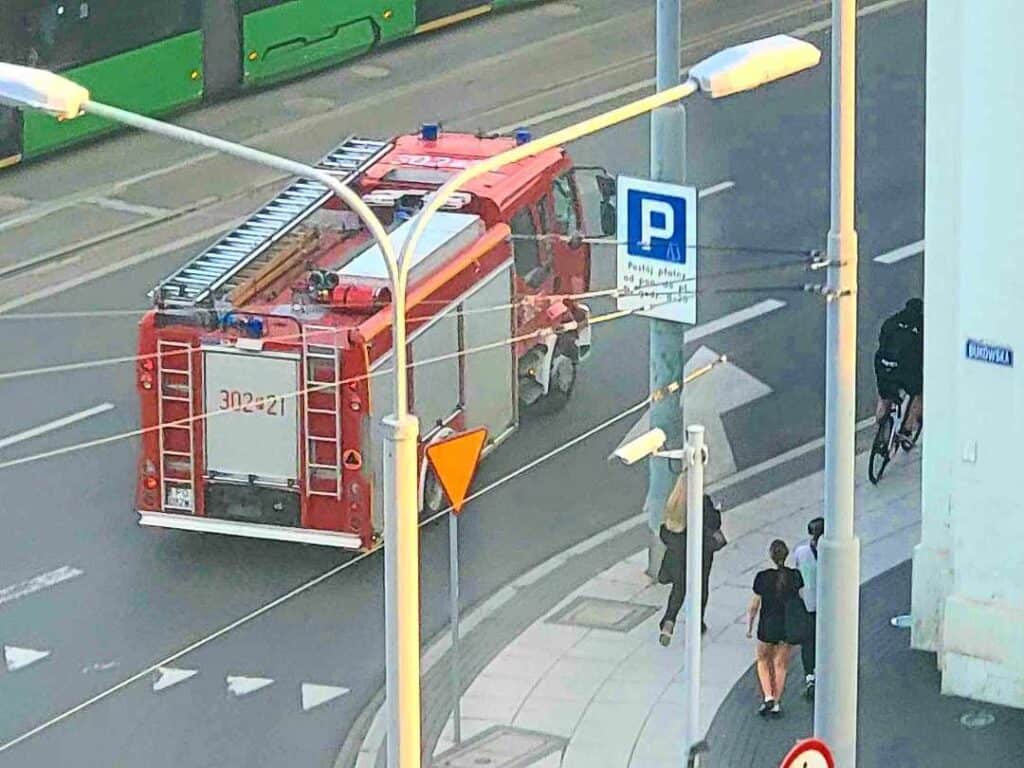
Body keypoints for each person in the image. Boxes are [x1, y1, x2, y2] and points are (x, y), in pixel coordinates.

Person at [657, 476, 724, 647]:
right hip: (699, 553)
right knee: (701, 587)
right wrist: (717, 511)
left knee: (679, 588)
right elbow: (714, 523)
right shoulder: (702, 502)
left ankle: (669, 620)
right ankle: (697, 623)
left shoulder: (674, 504)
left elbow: (665, 532)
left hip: (678, 555)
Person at [747, 539, 804, 717]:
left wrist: (749, 626)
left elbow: (754, 606)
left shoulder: (762, 577)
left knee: (763, 661)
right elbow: (800, 599)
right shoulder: (795, 576)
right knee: (781, 665)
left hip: (767, 625)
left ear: (771, 555)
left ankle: (768, 696)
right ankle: (777, 703)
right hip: (787, 625)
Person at [874, 298, 924, 447]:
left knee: (885, 395)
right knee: (919, 394)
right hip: (904, 370)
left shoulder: (892, 321)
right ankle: (907, 430)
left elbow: (882, 339)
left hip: (883, 365)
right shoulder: (921, 325)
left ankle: (880, 429)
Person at [793, 517, 824, 698]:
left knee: (808, 642)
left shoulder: (802, 552)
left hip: (808, 602)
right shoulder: (830, 552)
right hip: (826, 605)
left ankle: (810, 676)